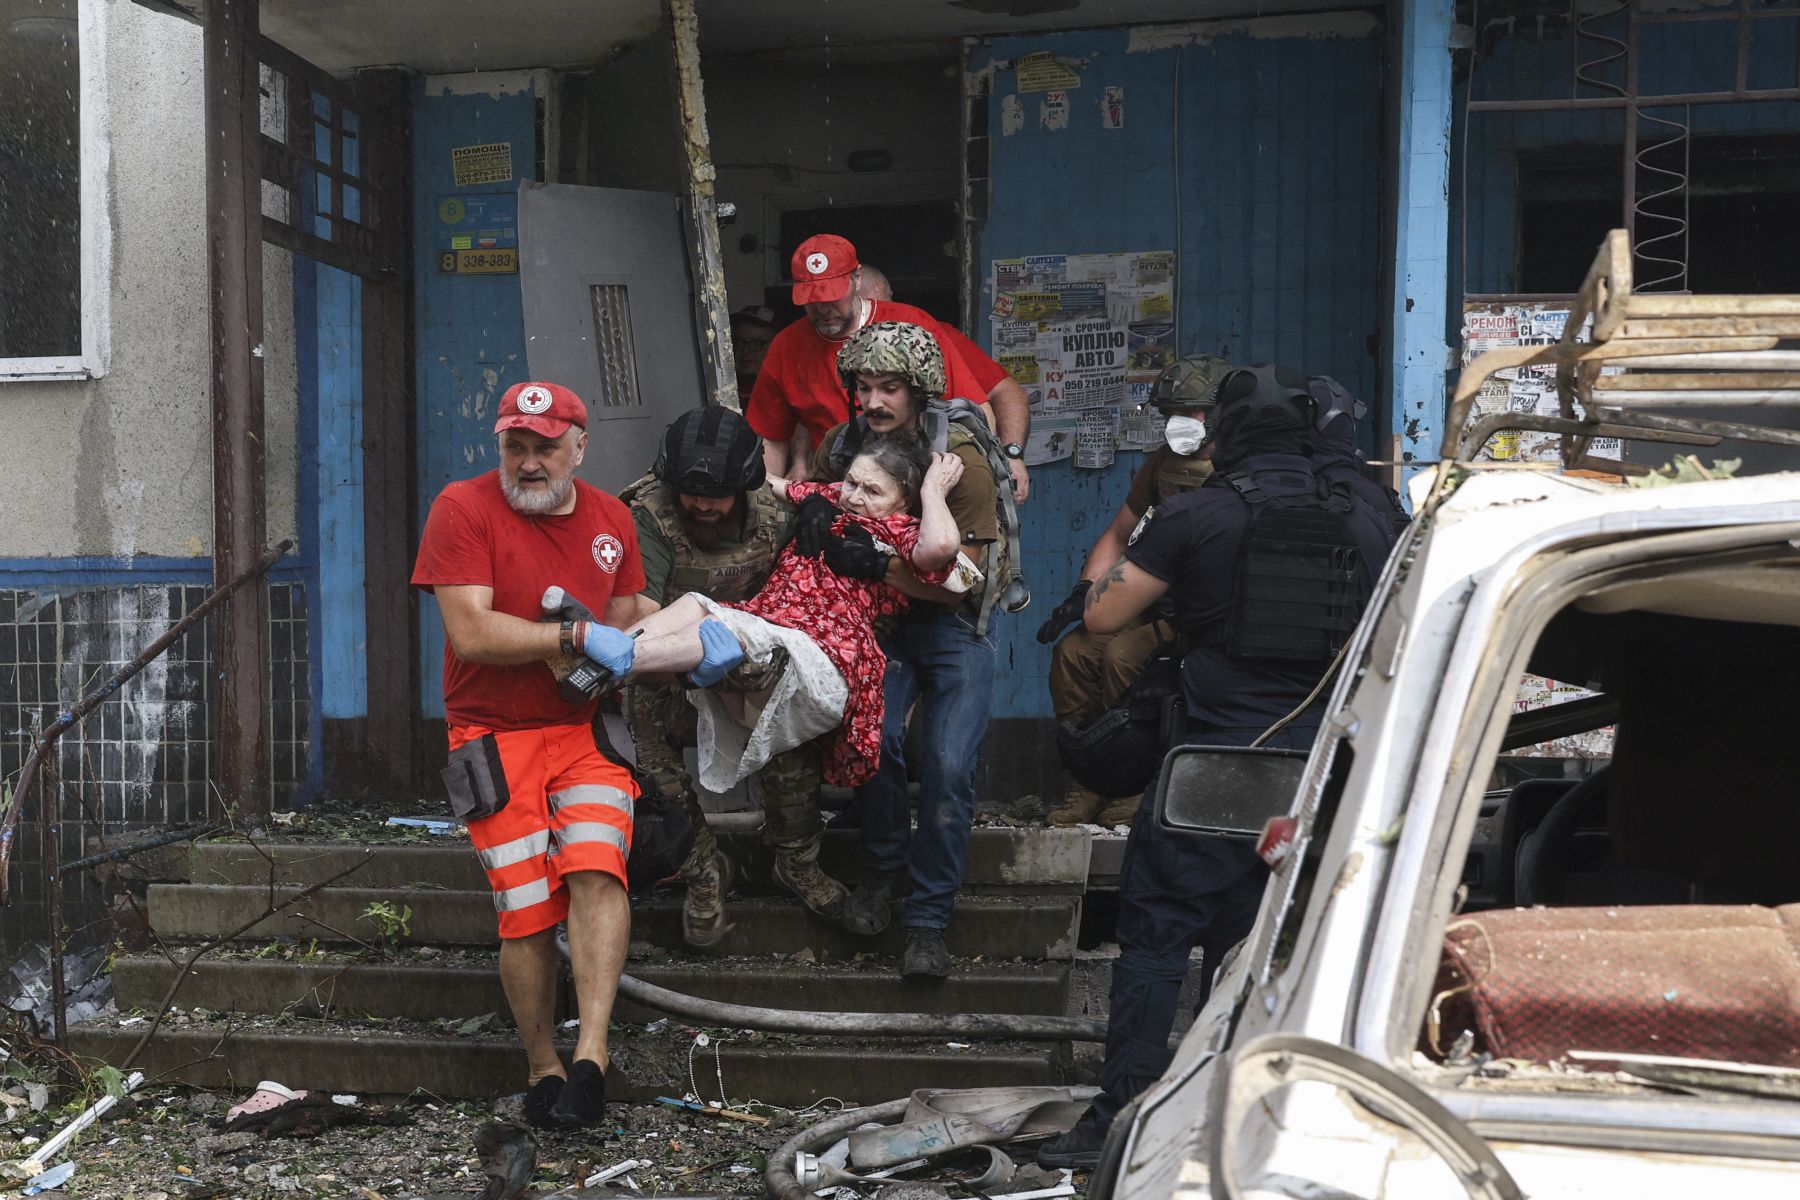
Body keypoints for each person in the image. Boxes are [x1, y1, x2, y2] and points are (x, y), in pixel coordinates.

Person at [1035, 364, 1403, 1168]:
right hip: (1320, 774)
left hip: (1209, 766)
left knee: (1159, 941)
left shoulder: (1197, 513)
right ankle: (1247, 1119)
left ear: (1225, 436)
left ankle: (1116, 1125)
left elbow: (1100, 616)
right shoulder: (1375, 516)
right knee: (1276, 946)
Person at [411, 380, 659, 1131]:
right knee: (524, 912)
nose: (528, 462)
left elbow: (625, 619)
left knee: (595, 864)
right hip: (491, 734)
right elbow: (472, 635)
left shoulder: (614, 518)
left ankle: (591, 1058)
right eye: (515, 445)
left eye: (545, 447)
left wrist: (709, 626)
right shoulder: (462, 506)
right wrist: (571, 638)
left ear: (579, 449)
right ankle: (540, 1064)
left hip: (584, 733)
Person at [583, 432, 965, 795]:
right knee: (695, 605)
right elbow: (764, 479)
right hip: (771, 625)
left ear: (902, 501)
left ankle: (614, 660)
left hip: (824, 652)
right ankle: (610, 652)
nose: (855, 496)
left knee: (726, 631)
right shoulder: (831, 498)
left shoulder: (900, 531)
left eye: (873, 491)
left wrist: (933, 490)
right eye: (852, 482)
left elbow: (942, 546)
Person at [800, 322, 1005, 980]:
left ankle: (928, 919)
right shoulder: (846, 446)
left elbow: (965, 582)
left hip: (953, 624)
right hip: (878, 626)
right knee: (874, 743)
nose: (873, 402)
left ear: (919, 391)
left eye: (889, 387)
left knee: (947, 767)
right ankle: (884, 872)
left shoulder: (961, 457)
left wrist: (877, 563)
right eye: (862, 387)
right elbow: (823, 514)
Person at [620, 405, 847, 947]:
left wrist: (819, 510)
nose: (701, 504)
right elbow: (639, 620)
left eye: (717, 494)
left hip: (754, 661)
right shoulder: (649, 514)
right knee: (650, 755)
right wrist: (694, 660)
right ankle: (703, 871)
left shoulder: (775, 512)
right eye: (689, 492)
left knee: (791, 739)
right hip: (675, 669)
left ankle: (796, 861)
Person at [1035, 354, 1233, 828]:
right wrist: (1085, 591)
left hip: (1200, 612)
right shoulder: (1162, 465)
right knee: (1075, 653)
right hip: (1147, 599)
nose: (1181, 424)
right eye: (1171, 414)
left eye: (1193, 412)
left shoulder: (1238, 467)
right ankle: (1090, 780)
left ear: (1222, 411)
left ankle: (1147, 782)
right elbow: (1119, 534)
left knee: (1124, 655)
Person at [747, 234, 1016, 484]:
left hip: (919, 480)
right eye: (811, 299)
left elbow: (976, 413)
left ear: (856, 279)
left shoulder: (911, 325)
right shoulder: (786, 346)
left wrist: (981, 482)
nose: (823, 308)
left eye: (832, 295)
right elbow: (770, 439)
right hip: (839, 486)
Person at [859, 264, 1033, 503]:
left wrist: (1010, 456)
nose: (883, 317)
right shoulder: (834, 347)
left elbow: (1005, 391)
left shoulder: (929, 336)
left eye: (885, 304)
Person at [730, 304, 778, 400]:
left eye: (756, 343)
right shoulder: (719, 392)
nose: (746, 350)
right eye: (739, 342)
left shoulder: (788, 396)